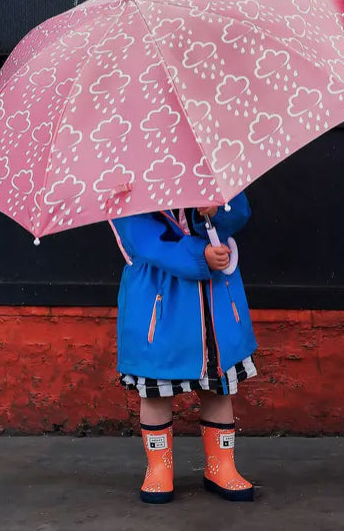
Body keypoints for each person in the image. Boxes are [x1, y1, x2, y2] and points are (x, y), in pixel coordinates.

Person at [109, 194, 257, 504]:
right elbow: (146, 242)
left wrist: (218, 210)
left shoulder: (209, 169)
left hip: (212, 305)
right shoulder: (124, 188)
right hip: (159, 308)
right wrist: (199, 255)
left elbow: (240, 211)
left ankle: (221, 465)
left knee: (218, 391)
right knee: (155, 393)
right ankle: (158, 468)